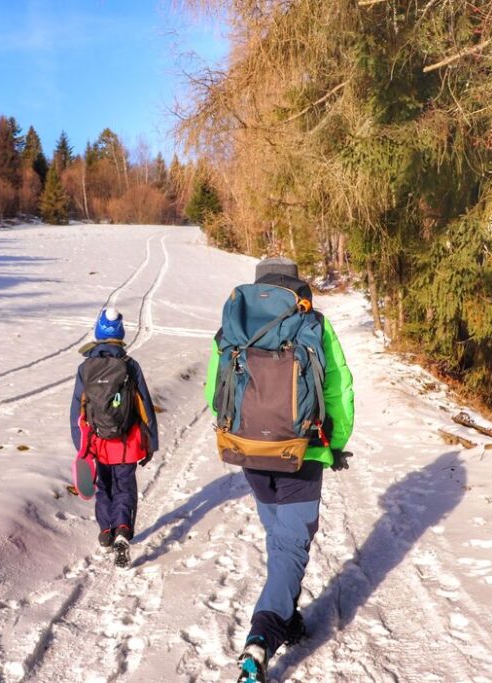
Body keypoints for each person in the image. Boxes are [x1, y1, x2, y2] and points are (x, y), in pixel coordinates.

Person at [205, 257, 354, 683]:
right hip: (302, 453)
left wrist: (244, 431)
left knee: (279, 541)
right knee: (290, 546)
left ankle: (287, 620)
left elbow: (214, 390)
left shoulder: (235, 321)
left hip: (249, 451)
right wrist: (335, 444)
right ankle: (260, 640)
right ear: (296, 283)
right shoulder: (314, 324)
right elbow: (338, 389)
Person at [70, 307, 159, 567]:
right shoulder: (130, 366)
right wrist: (150, 442)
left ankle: (106, 531)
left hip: (97, 441)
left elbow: (78, 408)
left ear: (98, 333)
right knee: (125, 486)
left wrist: (81, 446)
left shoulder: (85, 367)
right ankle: (122, 529)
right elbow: (144, 404)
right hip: (127, 442)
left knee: (104, 486)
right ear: (121, 334)